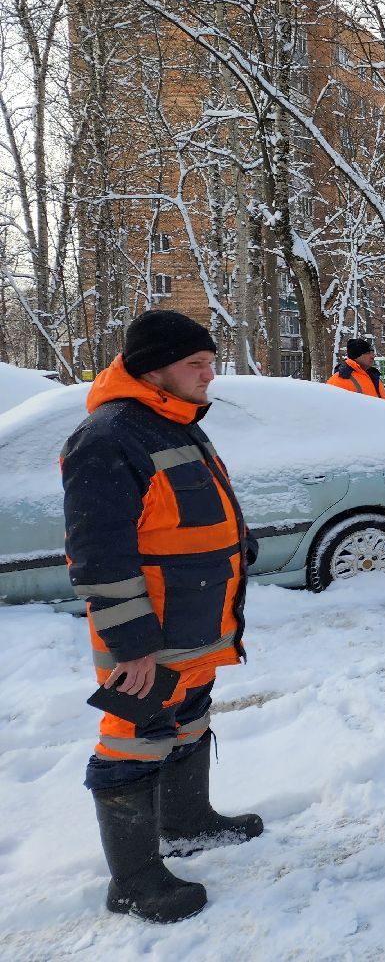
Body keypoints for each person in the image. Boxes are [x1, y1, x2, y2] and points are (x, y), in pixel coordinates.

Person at [62, 310, 262, 924]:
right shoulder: (109, 436)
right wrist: (131, 645)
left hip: (194, 617)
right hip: (148, 632)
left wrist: (238, 547)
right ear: (154, 370)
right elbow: (98, 554)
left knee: (190, 715)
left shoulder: (173, 418)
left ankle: (187, 822)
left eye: (210, 362)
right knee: (134, 737)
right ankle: (134, 881)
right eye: (196, 364)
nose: (210, 374)